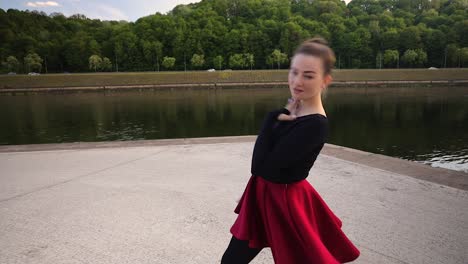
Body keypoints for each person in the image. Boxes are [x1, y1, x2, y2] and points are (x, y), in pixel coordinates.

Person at [220, 37, 361, 264]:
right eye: (294, 72)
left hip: (284, 202)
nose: (297, 81)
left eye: (308, 75)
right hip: (264, 194)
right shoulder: (294, 112)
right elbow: (264, 165)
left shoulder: (315, 124)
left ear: (325, 81)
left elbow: (261, 165)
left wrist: (271, 119)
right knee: (231, 261)